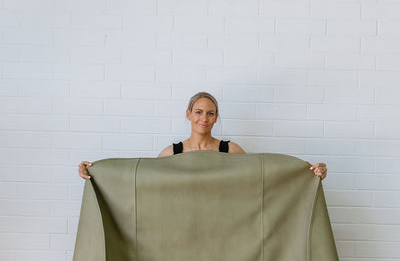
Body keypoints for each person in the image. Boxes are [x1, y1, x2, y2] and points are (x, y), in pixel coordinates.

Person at [78, 91, 327, 179]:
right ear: (188, 115)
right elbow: (142, 181)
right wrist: (97, 173)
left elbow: (261, 178)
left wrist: (303, 172)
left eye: (210, 113)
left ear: (216, 117)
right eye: (198, 112)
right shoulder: (171, 153)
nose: (203, 118)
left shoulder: (230, 150)